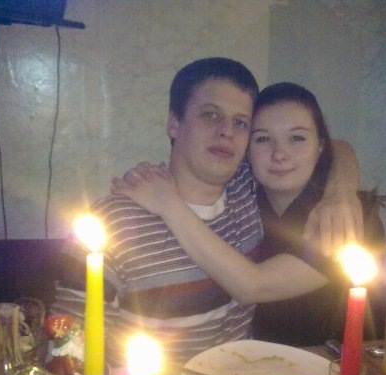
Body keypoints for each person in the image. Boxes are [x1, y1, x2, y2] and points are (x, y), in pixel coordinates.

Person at [53, 58, 360, 364]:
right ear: (174, 123)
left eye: (240, 122)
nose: (226, 131)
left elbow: (335, 147)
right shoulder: (112, 224)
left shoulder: (247, 188)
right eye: (211, 115)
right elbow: (68, 351)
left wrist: (341, 192)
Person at [113, 82, 358, 346]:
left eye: (297, 138)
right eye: (263, 138)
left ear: (320, 147)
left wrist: (168, 204)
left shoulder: (343, 218)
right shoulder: (245, 189)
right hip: (251, 364)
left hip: (334, 364)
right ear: (247, 151)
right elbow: (340, 147)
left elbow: (252, 287)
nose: (280, 154)